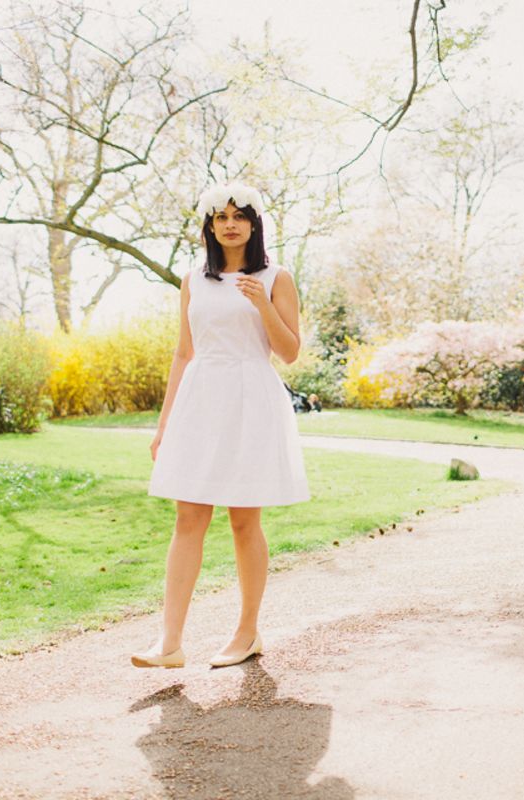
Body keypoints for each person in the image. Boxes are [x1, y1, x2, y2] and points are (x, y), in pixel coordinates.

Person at [132, 181, 310, 670]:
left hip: (251, 400)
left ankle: (247, 631)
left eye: (240, 216)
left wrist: (261, 302)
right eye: (221, 217)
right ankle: (169, 642)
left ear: (254, 224)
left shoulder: (277, 277)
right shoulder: (193, 279)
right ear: (210, 226)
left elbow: (290, 352)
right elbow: (184, 352)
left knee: (242, 519)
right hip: (200, 399)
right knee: (188, 516)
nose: (230, 224)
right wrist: (164, 424)